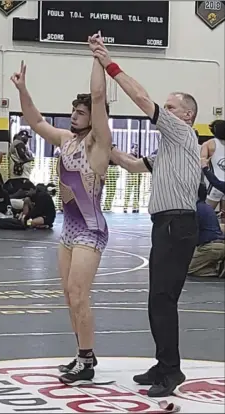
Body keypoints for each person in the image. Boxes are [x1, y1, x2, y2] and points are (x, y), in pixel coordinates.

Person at [91, 36, 201, 397]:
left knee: (163, 299)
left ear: (187, 115)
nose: (165, 111)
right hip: (165, 225)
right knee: (157, 298)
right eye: (166, 107)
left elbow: (141, 99)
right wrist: (106, 145)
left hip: (177, 223)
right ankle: (162, 363)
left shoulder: (181, 131)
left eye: (171, 107)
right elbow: (136, 166)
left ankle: (171, 372)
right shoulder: (170, 148)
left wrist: (110, 64)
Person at [11, 32, 112, 385]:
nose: (73, 115)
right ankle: (83, 355)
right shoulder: (66, 140)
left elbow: (98, 95)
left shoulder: (99, 145)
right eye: (73, 110)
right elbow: (36, 122)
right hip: (69, 231)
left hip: (90, 228)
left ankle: (87, 362)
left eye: (80, 112)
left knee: (80, 293)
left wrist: (97, 57)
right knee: (70, 295)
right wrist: (23, 90)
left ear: (93, 117)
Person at [188, 183, 224, 277]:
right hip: (218, 244)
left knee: (187, 268)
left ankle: (217, 270)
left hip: (210, 247)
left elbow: (189, 233)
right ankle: (217, 264)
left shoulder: (195, 209)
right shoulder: (207, 207)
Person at [200, 120, 225, 209]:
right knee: (223, 218)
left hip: (215, 184)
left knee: (207, 214)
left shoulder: (208, 144)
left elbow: (202, 162)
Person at [124, 144, 141, 213]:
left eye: (137, 148)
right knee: (128, 192)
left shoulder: (140, 156)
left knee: (136, 193)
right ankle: (125, 207)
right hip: (131, 176)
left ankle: (135, 207)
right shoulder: (129, 156)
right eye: (135, 148)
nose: (136, 149)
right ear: (131, 149)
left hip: (137, 176)